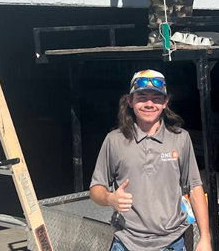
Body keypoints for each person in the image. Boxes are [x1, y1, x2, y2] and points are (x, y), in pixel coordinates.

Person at [90, 70, 211, 251]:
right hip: (126, 243)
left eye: (156, 98)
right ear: (130, 101)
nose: (149, 104)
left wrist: (205, 238)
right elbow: (95, 189)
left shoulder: (180, 138)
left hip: (172, 243)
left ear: (165, 102)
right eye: (142, 98)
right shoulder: (114, 140)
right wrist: (110, 198)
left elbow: (194, 188)